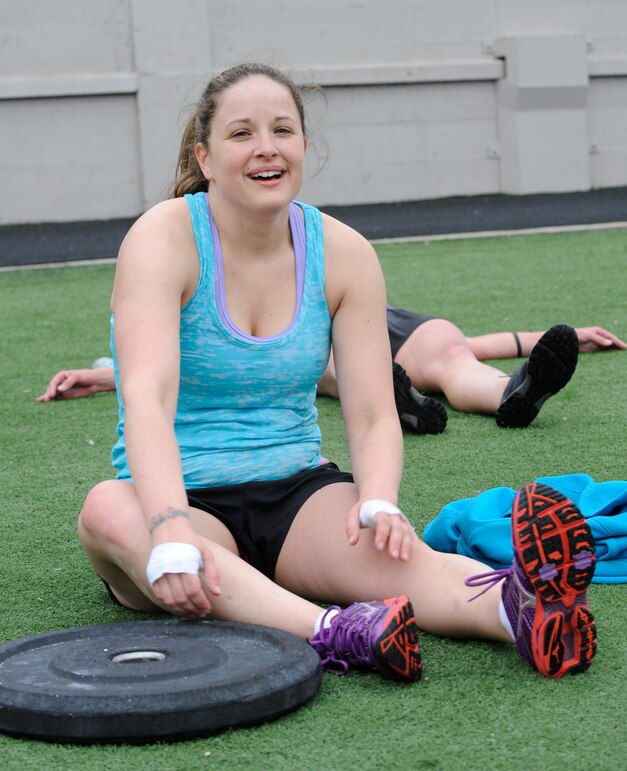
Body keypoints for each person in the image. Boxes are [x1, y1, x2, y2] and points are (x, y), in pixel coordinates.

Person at [74, 63, 597, 681]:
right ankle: (333, 631)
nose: (266, 147)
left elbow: (374, 413)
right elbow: (147, 399)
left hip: (297, 494)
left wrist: (377, 499)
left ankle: (521, 610)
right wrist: (168, 528)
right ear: (205, 157)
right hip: (178, 497)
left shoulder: (344, 253)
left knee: (403, 558)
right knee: (107, 509)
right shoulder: (163, 238)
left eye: (282, 130)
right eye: (241, 133)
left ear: (303, 145)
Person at [37, 318, 626, 436]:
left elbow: (475, 342)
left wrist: (550, 340)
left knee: (449, 345)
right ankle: (495, 392)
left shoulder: (341, 286)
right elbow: (187, 360)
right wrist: (107, 376)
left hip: (389, 343)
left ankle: (514, 390)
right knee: (448, 351)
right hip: (357, 347)